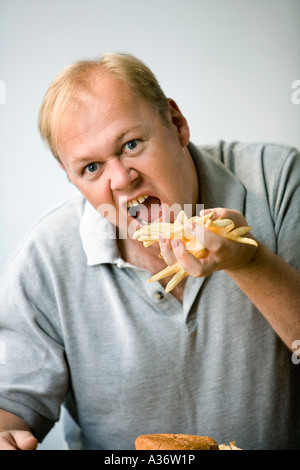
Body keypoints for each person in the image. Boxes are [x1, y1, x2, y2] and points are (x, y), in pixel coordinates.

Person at [0, 52, 300, 451]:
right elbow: (11, 404)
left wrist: (250, 261)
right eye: (91, 168)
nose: (122, 179)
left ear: (176, 124)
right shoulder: (46, 257)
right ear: (71, 179)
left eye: (131, 144)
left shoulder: (278, 182)